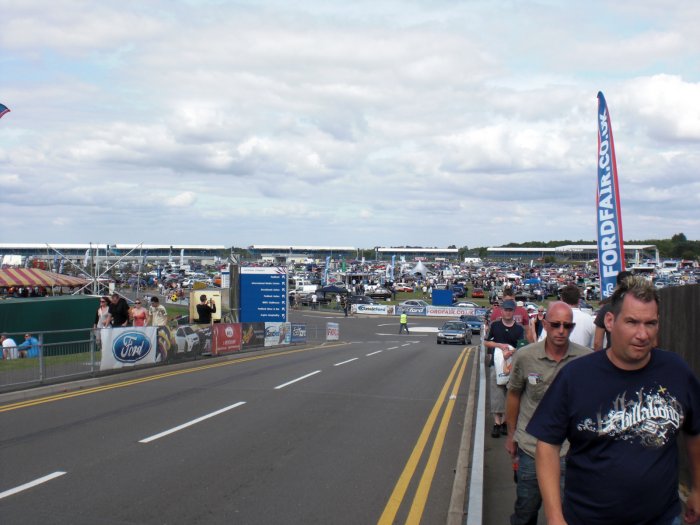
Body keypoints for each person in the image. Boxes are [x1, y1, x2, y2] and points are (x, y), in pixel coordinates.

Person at [528, 276, 700, 525]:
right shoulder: (575, 376)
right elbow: (547, 446)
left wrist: (697, 488)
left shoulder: (676, 370)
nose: (642, 334)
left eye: (650, 323)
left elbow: (695, 432)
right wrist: (555, 517)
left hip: (662, 517)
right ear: (610, 321)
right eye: (632, 322)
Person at [505, 302, 592, 525]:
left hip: (568, 451)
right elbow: (514, 395)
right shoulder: (525, 356)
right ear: (545, 324)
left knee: (565, 513)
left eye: (567, 326)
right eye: (555, 325)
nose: (561, 331)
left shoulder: (586, 359)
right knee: (526, 509)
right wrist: (511, 434)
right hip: (530, 448)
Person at [484, 299, 525, 438]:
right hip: (496, 365)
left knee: (511, 394)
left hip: (513, 366)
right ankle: (497, 423)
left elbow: (522, 346)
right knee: (497, 393)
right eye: (505, 310)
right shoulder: (495, 325)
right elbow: (486, 342)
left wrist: (512, 352)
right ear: (501, 311)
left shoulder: (519, 328)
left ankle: (505, 422)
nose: (507, 312)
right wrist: (499, 346)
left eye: (510, 310)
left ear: (514, 311)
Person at [593, 270, 632, 351]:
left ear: (617, 285)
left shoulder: (607, 308)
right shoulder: (640, 308)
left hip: (612, 355)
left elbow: (597, 343)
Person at [548, 284, 595, 349]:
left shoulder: (553, 318)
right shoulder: (590, 320)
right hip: (583, 356)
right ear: (579, 301)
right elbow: (595, 346)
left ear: (561, 300)